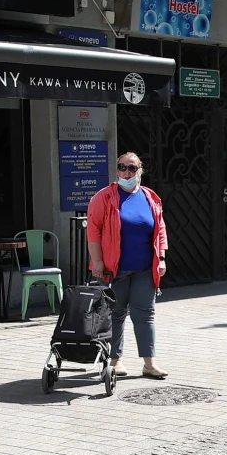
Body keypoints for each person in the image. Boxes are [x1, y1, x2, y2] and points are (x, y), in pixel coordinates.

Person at [86, 152, 169, 380]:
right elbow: (93, 231)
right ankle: (115, 361)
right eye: (123, 167)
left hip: (145, 268)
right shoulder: (104, 197)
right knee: (115, 314)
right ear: (117, 170)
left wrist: (161, 258)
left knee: (145, 314)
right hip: (114, 269)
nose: (127, 172)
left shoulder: (150, 197)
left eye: (132, 168)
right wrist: (98, 262)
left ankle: (149, 364)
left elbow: (159, 229)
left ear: (140, 170)